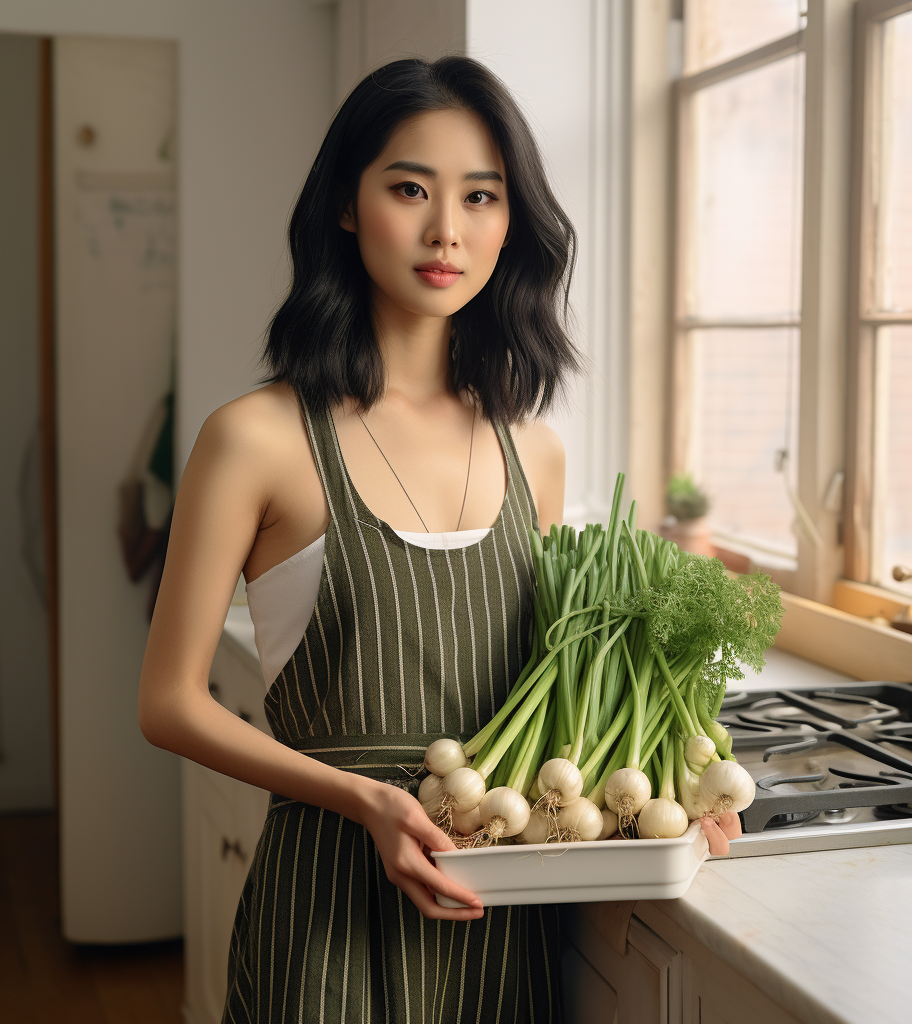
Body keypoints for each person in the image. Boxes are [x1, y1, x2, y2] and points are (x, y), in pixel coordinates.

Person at [138, 54, 739, 1023]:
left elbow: (549, 690)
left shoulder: (533, 452)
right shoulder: (254, 438)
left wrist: (679, 775)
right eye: (410, 188)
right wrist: (367, 801)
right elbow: (167, 703)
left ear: (514, 220)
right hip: (324, 915)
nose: (446, 231)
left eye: (481, 196)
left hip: (494, 920)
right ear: (346, 203)